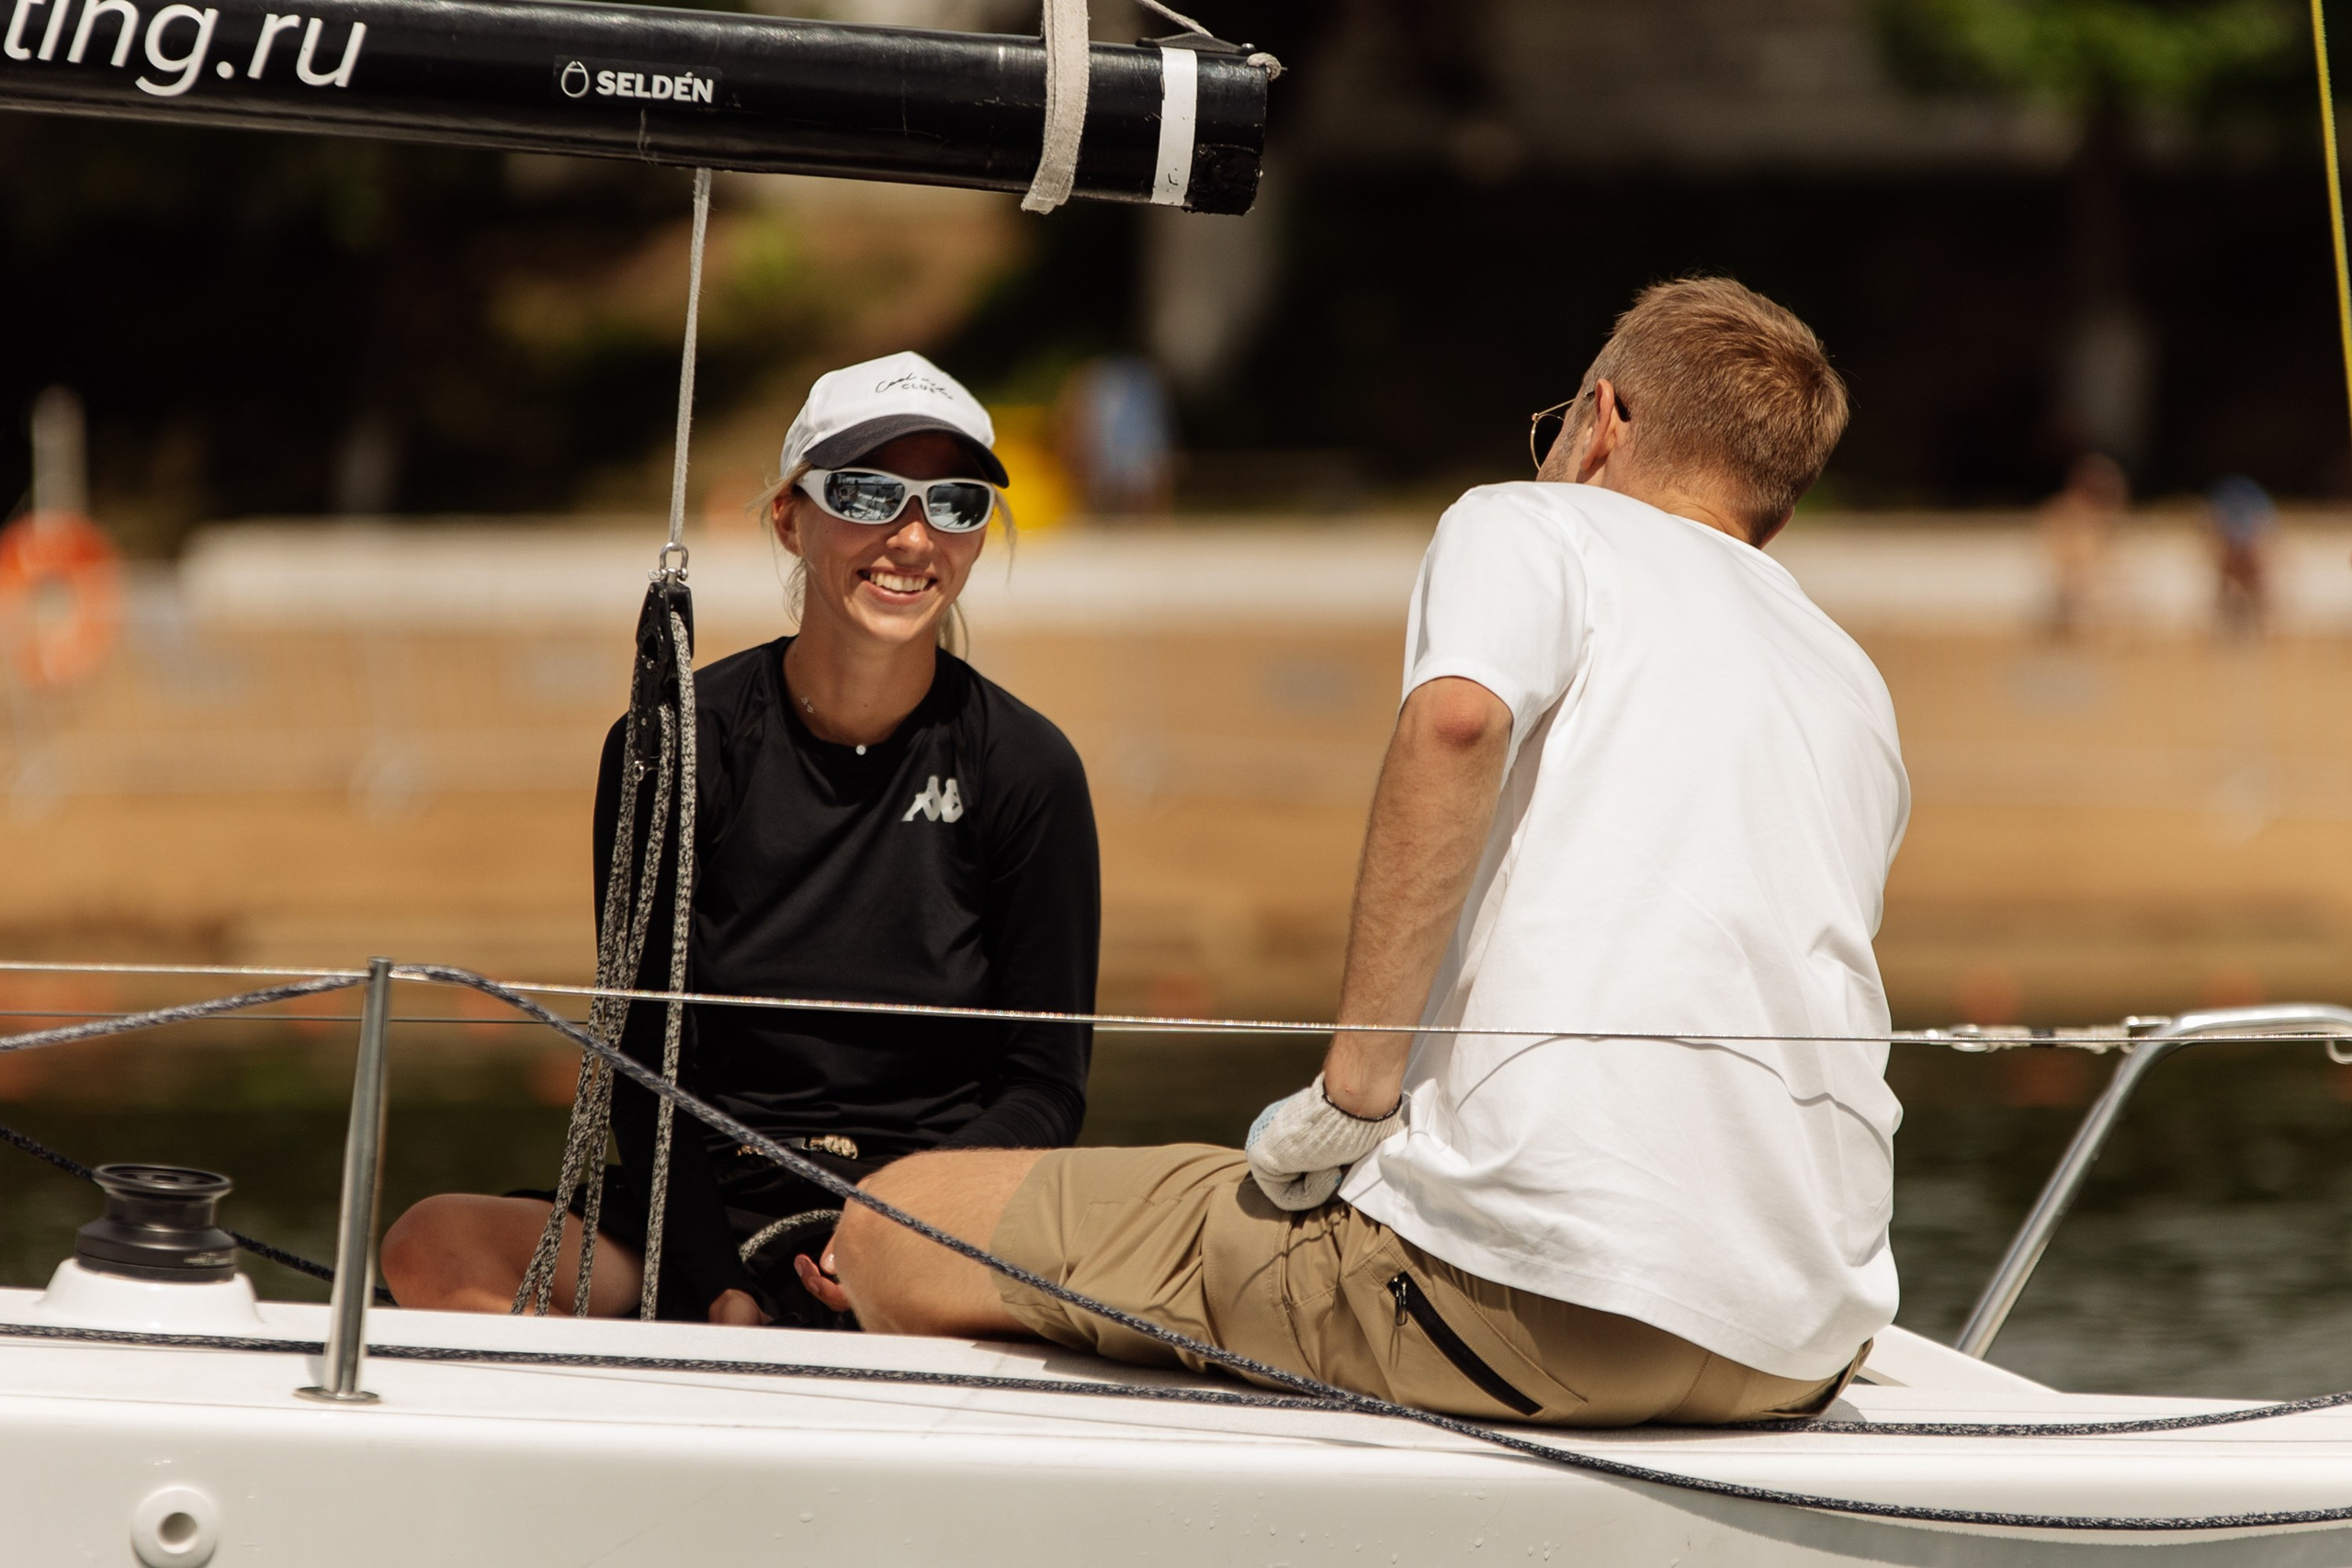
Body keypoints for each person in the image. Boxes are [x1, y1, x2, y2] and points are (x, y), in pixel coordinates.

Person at [808, 279, 1910, 1428]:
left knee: (896, 1225)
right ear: (1772, 502)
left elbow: (1457, 722)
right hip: (1799, 1345)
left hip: (1521, 1306)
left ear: (1605, 419)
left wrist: (1354, 1096)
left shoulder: (1534, 523)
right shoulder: (1850, 680)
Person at [381, 351, 1101, 1326]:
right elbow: (640, 1060)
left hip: (927, 1210)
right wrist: (720, 1287)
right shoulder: (674, 745)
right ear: (789, 517)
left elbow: (1043, 1090)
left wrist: (899, 1217)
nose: (913, 536)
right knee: (433, 1246)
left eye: (957, 503)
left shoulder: (1026, 768)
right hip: (702, 1200)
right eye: (869, 492)